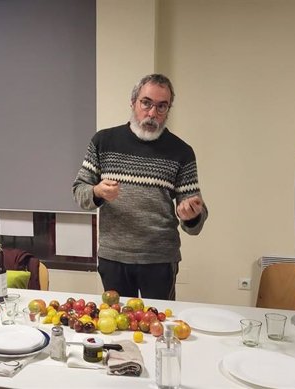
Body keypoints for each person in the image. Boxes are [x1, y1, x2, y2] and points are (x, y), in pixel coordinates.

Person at [72, 74, 207, 300]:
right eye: (146, 103)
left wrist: (191, 215)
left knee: (158, 326)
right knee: (116, 326)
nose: (153, 113)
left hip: (159, 259)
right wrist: (96, 192)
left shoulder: (181, 152)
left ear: (168, 110)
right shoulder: (103, 141)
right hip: (114, 257)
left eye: (162, 106)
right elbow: (79, 192)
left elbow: (195, 220)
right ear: (133, 102)